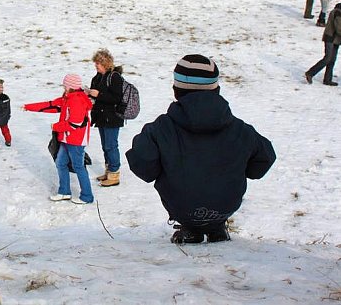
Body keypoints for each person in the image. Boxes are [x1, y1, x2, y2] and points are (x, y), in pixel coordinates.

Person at [126, 54, 276, 244]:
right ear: (216, 90)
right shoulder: (239, 129)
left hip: (182, 207)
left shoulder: (161, 128)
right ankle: (216, 227)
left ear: (176, 90)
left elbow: (143, 165)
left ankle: (191, 228)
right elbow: (264, 159)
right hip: (225, 206)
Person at [24, 74, 94, 205]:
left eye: (65, 85)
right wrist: (28, 107)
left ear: (71, 87)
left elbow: (75, 123)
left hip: (76, 140)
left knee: (79, 167)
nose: (63, 87)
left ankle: (87, 196)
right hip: (66, 138)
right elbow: (51, 105)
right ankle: (64, 192)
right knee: (60, 163)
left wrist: (56, 127)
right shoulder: (68, 98)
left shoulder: (77, 100)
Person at [87, 49, 124, 188]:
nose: (96, 66)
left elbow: (117, 98)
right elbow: (96, 95)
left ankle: (114, 174)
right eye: (95, 63)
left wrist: (98, 94)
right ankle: (108, 171)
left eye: (98, 63)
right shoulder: (97, 77)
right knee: (105, 146)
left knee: (111, 145)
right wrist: (89, 94)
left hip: (112, 117)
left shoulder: (114, 77)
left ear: (105, 63)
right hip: (101, 117)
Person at [305, 0, 341, 86]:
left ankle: (327, 79)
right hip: (330, 38)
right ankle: (310, 73)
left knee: (332, 60)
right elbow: (340, 29)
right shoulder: (338, 13)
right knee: (327, 58)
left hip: (336, 40)